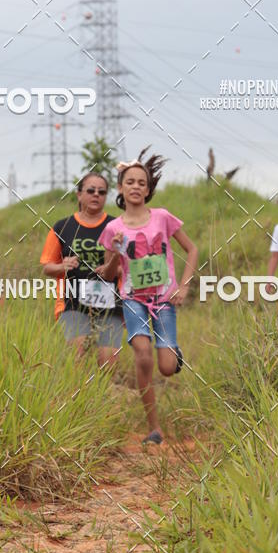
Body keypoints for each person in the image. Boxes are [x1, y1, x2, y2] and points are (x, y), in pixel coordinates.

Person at [99, 149, 198, 445]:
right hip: (133, 300)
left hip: (163, 300)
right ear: (120, 188)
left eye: (141, 183)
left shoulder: (163, 218)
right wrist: (116, 252)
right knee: (143, 354)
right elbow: (107, 273)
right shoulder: (113, 229)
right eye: (130, 182)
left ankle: (173, 353)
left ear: (148, 189)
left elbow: (192, 250)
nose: (136, 187)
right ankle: (154, 427)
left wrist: (184, 286)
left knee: (166, 367)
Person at [40, 173, 122, 368]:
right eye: (91, 190)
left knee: (108, 361)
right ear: (79, 194)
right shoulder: (63, 227)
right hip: (72, 301)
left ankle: (104, 388)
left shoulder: (117, 227)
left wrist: (113, 268)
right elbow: (47, 267)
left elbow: (129, 266)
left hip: (110, 301)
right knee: (77, 356)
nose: (96, 195)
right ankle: (77, 388)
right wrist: (62, 266)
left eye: (102, 192)